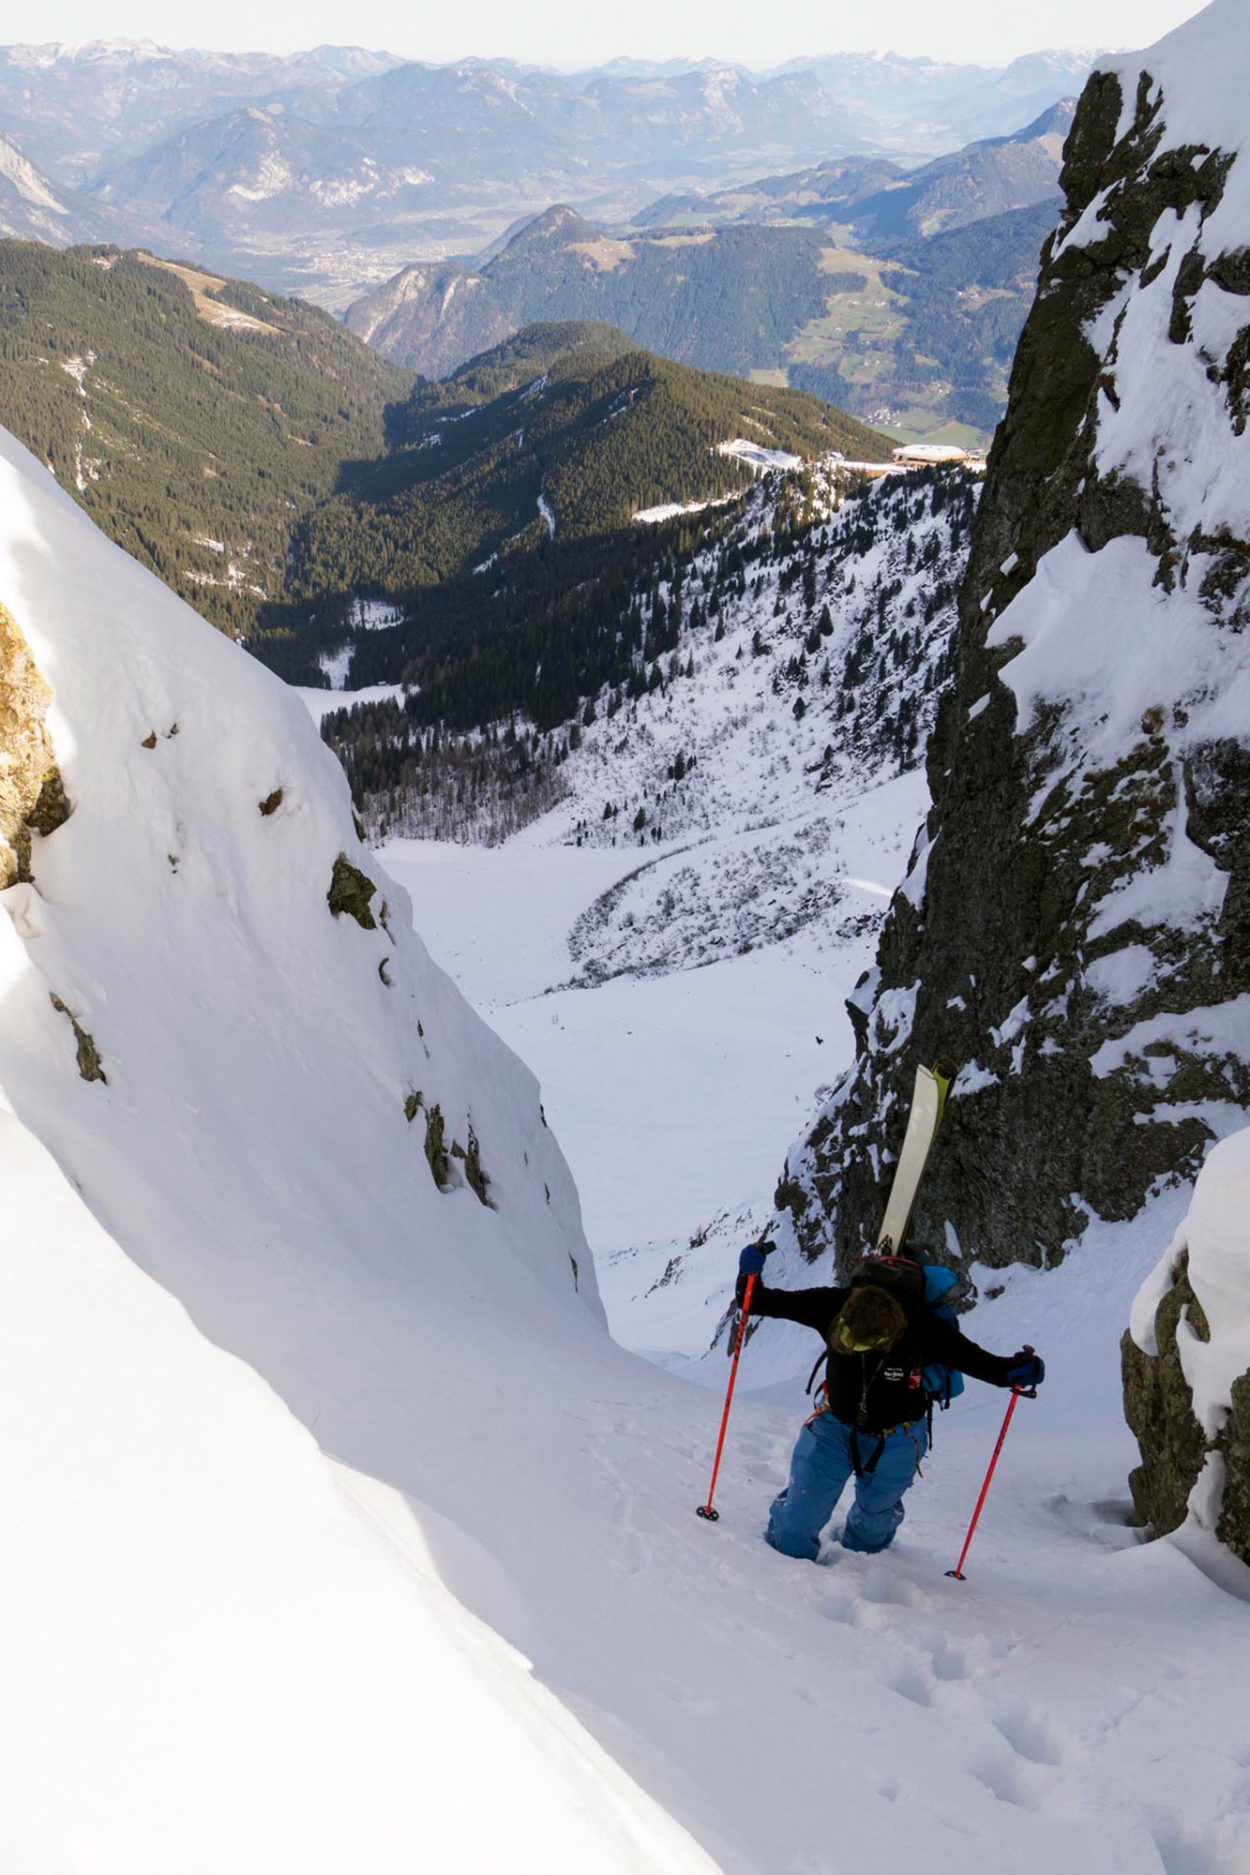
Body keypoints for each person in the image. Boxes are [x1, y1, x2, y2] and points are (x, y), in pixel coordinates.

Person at [736, 1241, 1044, 1562]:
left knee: (871, 1536)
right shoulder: (831, 1304)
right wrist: (749, 1274)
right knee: (794, 1531)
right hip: (834, 1427)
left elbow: (987, 1366)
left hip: (899, 1437)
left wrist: (1020, 1370)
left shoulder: (924, 1327)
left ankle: (861, 1563)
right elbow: (757, 1301)